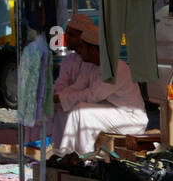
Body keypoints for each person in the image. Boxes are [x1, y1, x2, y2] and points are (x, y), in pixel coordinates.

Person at [45, 13, 148, 156]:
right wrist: (57, 98)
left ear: (93, 50)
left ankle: (83, 156)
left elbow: (92, 95)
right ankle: (59, 152)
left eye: (82, 48)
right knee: (65, 108)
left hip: (131, 118)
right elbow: (77, 88)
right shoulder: (91, 65)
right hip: (111, 110)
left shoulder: (115, 69)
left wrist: (59, 98)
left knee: (82, 111)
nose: (80, 52)